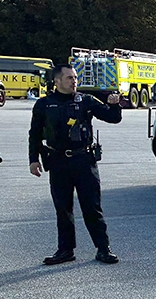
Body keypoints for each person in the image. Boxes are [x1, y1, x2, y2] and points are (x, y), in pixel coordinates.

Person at [29, 64, 122, 264]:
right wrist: (33, 159)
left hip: (83, 161)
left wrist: (115, 104)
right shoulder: (44, 104)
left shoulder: (85, 101)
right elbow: (34, 134)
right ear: (57, 81)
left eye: (75, 77)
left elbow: (113, 118)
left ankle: (103, 248)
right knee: (63, 208)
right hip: (58, 161)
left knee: (92, 207)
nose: (74, 81)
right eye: (69, 78)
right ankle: (65, 250)